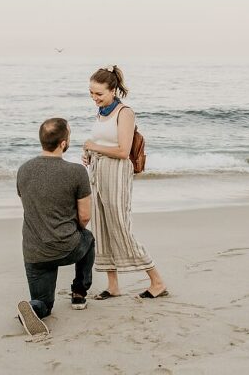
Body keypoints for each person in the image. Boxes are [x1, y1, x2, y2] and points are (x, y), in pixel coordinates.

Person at [82, 65, 168, 299]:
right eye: (91, 92)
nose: (94, 98)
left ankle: (157, 281)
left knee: (120, 227)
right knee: (102, 227)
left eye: (98, 94)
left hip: (117, 173)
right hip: (98, 171)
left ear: (113, 90)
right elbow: (103, 142)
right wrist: (89, 153)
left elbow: (122, 151)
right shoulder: (100, 112)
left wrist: (93, 146)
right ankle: (113, 286)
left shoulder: (125, 112)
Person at [16, 118, 95, 336]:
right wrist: (72, 230)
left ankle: (34, 308)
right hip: (66, 246)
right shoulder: (77, 172)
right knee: (88, 238)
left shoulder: (23, 170)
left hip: (35, 252)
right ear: (63, 143)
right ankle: (79, 293)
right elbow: (85, 217)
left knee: (44, 304)